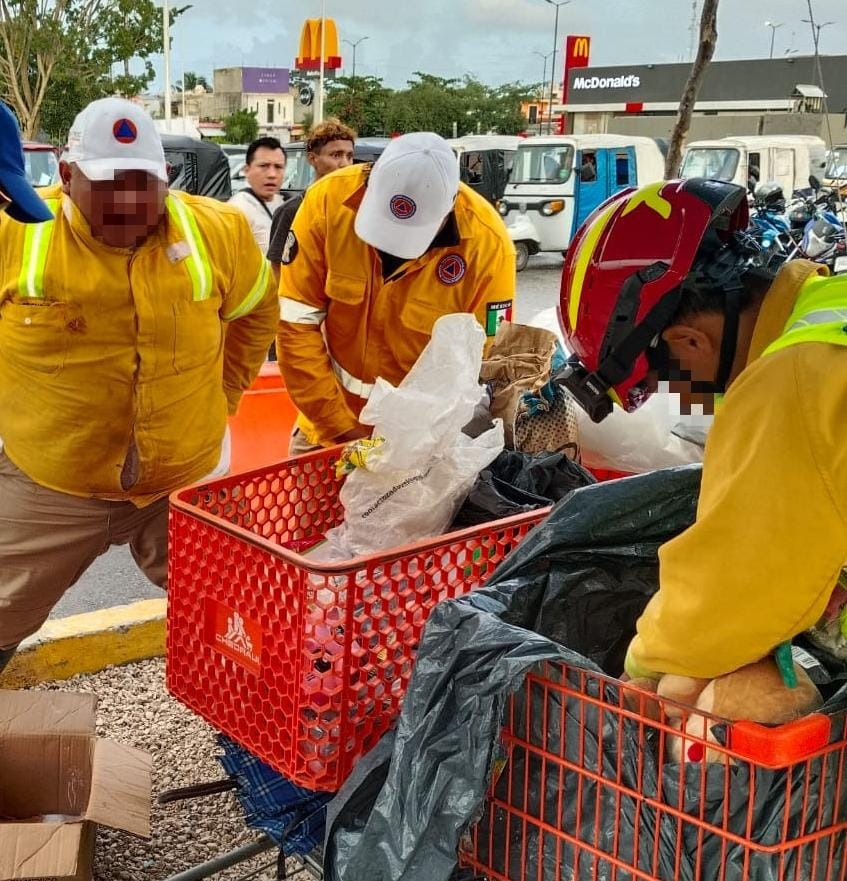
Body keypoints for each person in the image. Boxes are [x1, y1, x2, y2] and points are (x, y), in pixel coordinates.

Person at [0, 97, 278, 674]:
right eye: (109, 184)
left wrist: (221, 399)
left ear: (167, 178)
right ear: (68, 174)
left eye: (143, 183)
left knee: (245, 620)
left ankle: (253, 741)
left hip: (185, 477)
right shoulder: (15, 233)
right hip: (51, 481)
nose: (128, 200)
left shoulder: (218, 231)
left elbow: (256, 312)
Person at [558, 177, 847, 700]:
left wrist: (644, 668)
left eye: (667, 379)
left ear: (689, 340)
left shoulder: (792, 378)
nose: (687, 398)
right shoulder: (829, 305)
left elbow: (735, 589)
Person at [276, 131, 516, 455]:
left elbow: (483, 363)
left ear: (449, 208)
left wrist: (411, 448)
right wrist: (340, 431)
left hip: (418, 447)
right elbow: (295, 324)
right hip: (325, 429)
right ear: (370, 180)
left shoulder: (488, 248)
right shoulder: (327, 203)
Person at [266, 118, 356, 280]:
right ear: (312, 159)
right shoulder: (291, 211)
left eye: (349, 156)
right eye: (336, 155)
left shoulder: (356, 207)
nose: (345, 164)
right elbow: (278, 270)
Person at [228, 136, 286, 254]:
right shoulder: (237, 210)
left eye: (278, 167)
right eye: (264, 166)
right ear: (247, 170)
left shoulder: (283, 204)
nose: (272, 174)